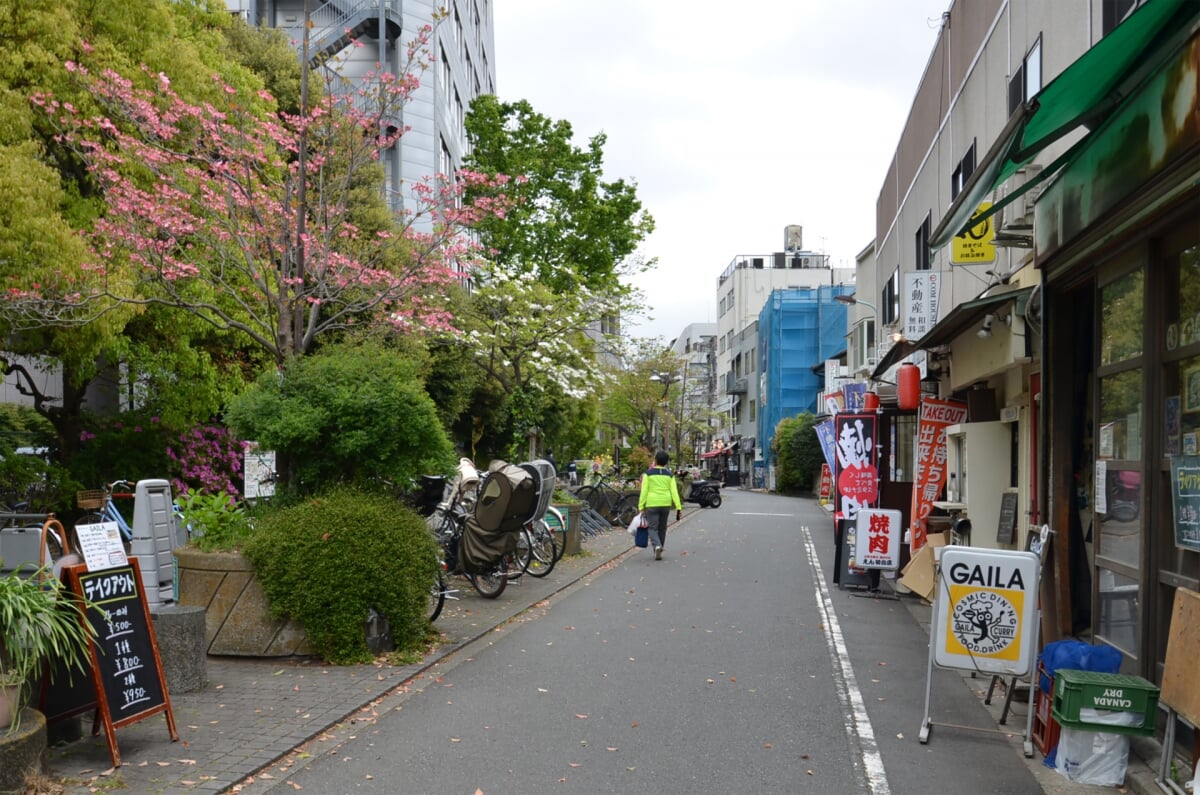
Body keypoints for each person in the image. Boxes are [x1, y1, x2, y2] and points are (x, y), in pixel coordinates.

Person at [638, 449, 682, 561]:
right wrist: (678, 507)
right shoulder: (670, 475)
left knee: (652, 528)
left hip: (652, 503)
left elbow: (644, 491)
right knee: (662, 528)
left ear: (656, 460)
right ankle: (660, 548)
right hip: (665, 504)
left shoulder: (648, 474)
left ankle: (657, 546)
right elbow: (674, 492)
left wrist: (641, 506)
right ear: (666, 462)